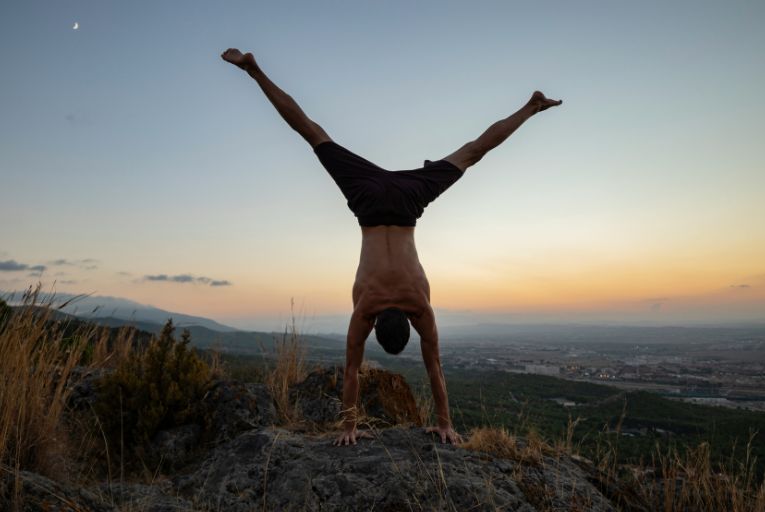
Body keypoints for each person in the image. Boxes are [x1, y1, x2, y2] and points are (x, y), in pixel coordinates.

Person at [221, 48, 562, 446]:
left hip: (406, 201)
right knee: (313, 134)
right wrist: (349, 427)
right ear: (374, 327)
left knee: (471, 153)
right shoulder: (364, 308)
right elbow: (353, 372)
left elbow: (435, 370)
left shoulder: (420, 305)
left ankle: (530, 106)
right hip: (367, 201)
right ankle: (255, 72)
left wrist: (445, 423)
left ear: (405, 324)